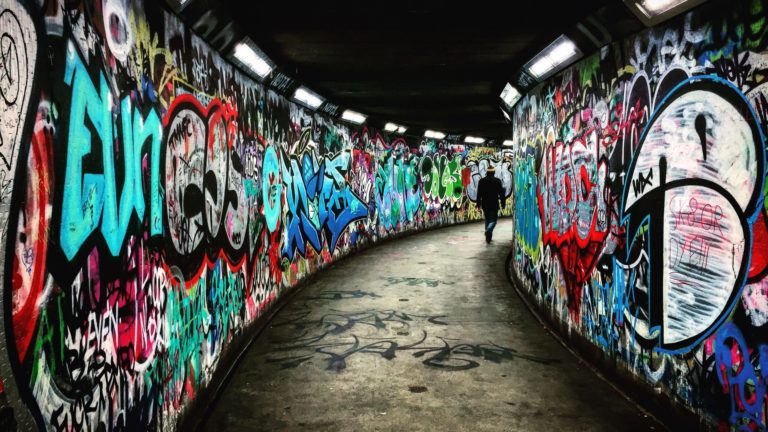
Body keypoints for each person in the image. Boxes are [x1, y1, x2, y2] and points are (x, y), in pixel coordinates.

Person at [476, 165, 506, 243]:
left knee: (487, 220)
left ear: (487, 172)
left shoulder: (481, 181)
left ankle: (488, 238)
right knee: (493, 221)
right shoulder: (497, 181)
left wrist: (478, 204)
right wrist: (503, 204)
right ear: (494, 172)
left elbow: (479, 194)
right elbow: (501, 194)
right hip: (494, 203)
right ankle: (488, 231)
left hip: (485, 204)